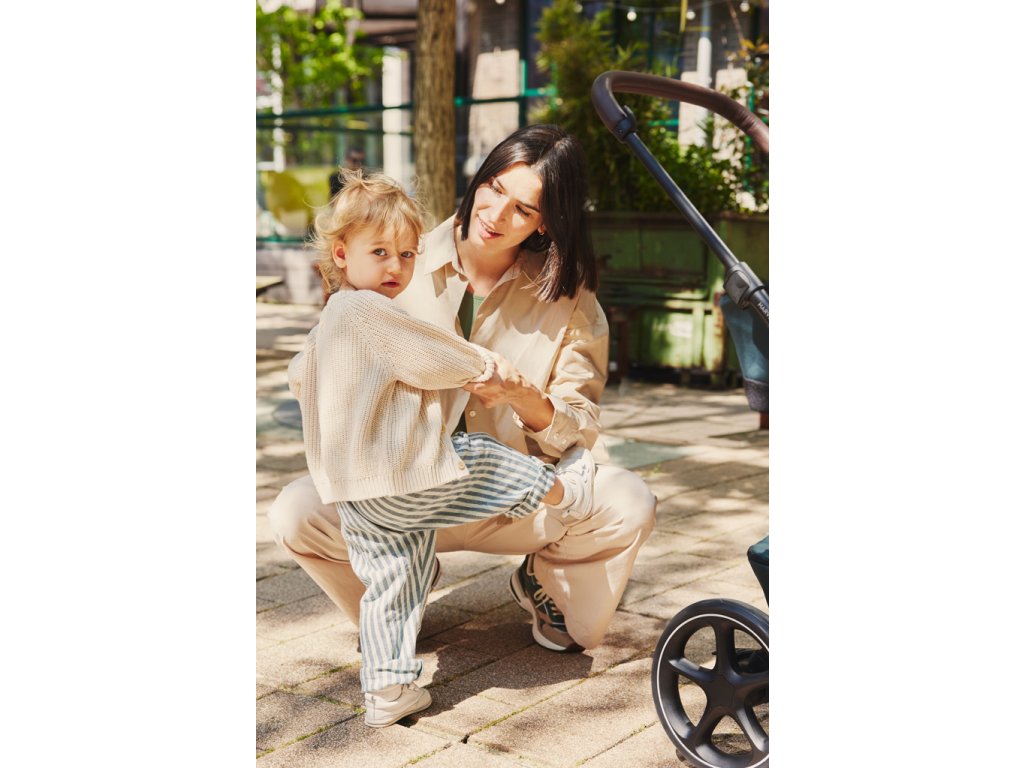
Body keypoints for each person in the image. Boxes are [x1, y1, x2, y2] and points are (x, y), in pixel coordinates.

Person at [268, 123, 657, 676]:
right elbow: (319, 373)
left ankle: (542, 583)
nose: (496, 214)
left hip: (510, 494)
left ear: (546, 222)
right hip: (398, 497)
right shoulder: (392, 254)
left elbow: (580, 425)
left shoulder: (568, 297)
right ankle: (399, 588)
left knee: (628, 501)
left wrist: (523, 396)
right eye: (494, 188)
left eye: (523, 209)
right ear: (481, 177)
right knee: (296, 513)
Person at [295, 169, 598, 727]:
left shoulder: (330, 323)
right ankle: (562, 491)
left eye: (408, 255)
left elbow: (298, 376)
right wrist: (485, 366)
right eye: (380, 252)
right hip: (402, 477)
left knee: (393, 580)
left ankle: (387, 689)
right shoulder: (368, 310)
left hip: (355, 496)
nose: (396, 267)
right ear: (341, 254)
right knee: (475, 458)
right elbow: (431, 355)